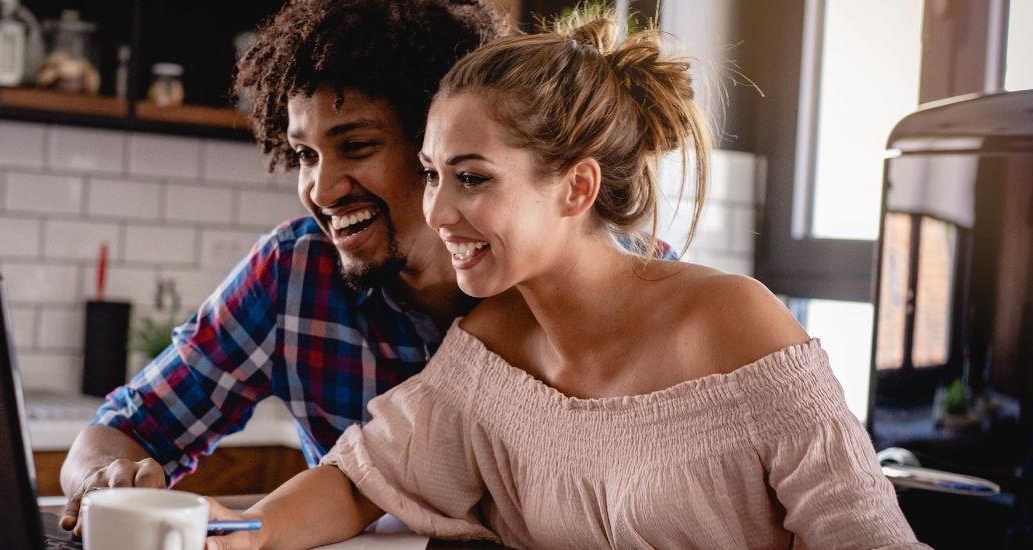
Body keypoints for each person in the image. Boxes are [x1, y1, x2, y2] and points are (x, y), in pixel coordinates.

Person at [202, 8, 925, 550]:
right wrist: (238, 534)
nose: (439, 210)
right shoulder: (489, 352)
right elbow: (360, 481)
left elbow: (868, 537)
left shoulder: (735, 323)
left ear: (577, 188)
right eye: (430, 175)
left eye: (473, 178)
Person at [57, 0, 561, 535]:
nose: (321, 190)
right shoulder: (292, 272)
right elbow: (121, 429)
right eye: (305, 155)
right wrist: (102, 481)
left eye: (357, 146)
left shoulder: (552, 279)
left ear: (437, 145)